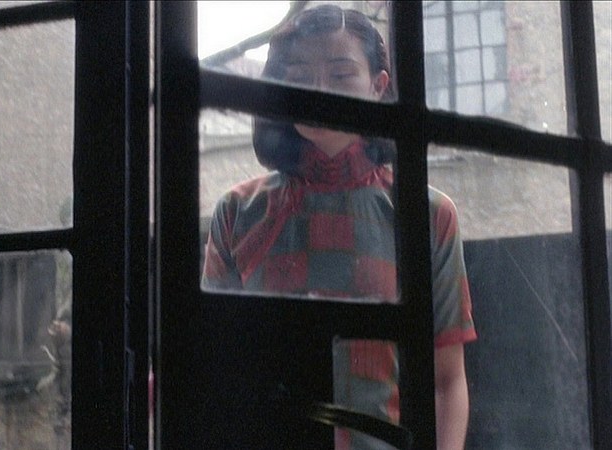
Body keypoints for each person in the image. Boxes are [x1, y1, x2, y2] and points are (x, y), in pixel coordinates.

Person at [201, 5, 476, 449]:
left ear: (378, 86)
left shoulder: (428, 215)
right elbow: (216, 369)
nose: (319, 92)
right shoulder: (237, 212)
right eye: (300, 77)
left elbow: (446, 382)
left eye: (341, 75)